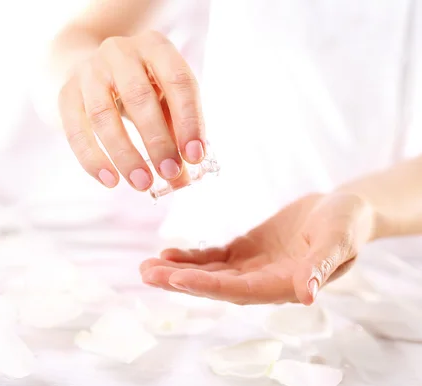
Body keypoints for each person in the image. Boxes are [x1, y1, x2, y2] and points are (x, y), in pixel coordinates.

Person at [46, 0, 422, 305]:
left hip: (398, 281)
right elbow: (75, 39)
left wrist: (367, 209)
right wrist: (89, 76)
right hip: (204, 254)